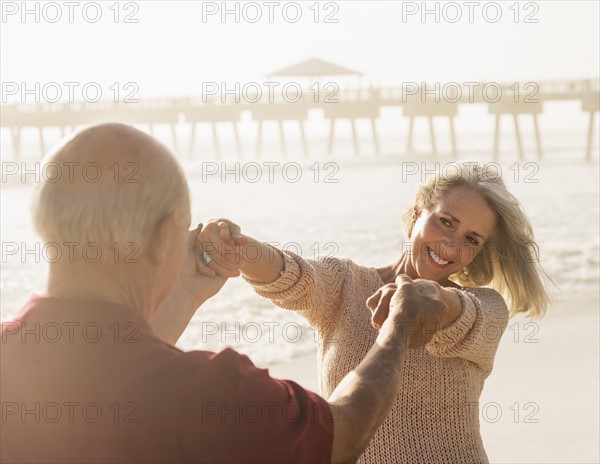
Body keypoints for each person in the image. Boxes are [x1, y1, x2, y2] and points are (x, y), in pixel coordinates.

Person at [0, 123, 448, 464]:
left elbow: (108, 372)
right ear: (163, 240)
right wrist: (398, 326)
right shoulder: (213, 394)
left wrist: (185, 295)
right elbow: (345, 432)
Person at [197, 163, 550, 463]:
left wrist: (423, 296)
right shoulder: (345, 286)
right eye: (445, 222)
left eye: (472, 239)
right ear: (416, 214)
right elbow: (292, 274)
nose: (451, 245)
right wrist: (239, 248)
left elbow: (456, 313)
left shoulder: (486, 309)